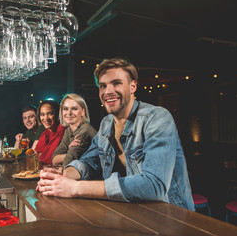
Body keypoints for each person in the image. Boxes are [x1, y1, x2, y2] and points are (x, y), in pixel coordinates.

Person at [37, 58, 194, 210]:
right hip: (130, 210)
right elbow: (88, 162)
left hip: (170, 214)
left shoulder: (157, 118)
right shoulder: (106, 123)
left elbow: (154, 185)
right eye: (103, 86)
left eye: (116, 83)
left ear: (133, 86)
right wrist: (62, 175)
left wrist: (75, 187)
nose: (108, 92)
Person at [52, 93, 97, 166]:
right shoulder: (68, 131)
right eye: (65, 109)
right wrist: (69, 152)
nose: (69, 113)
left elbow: (68, 162)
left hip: (95, 176)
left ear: (83, 112)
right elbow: (54, 159)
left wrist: (67, 154)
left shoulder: (85, 130)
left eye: (74, 109)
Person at [34, 100, 66, 164]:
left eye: (50, 114)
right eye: (42, 114)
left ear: (57, 114)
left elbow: (48, 159)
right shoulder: (46, 131)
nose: (46, 118)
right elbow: (36, 152)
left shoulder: (62, 129)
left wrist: (39, 156)